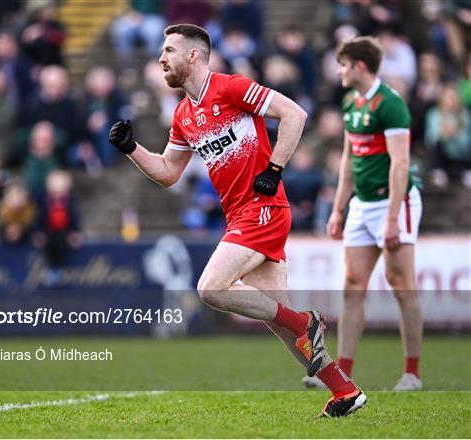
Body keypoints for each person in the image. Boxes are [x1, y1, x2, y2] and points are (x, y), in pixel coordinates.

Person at [108, 23, 366, 417]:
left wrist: (275, 169)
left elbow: (294, 114)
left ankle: (306, 322)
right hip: (240, 216)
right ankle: (344, 391)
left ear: (193, 55)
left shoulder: (230, 88)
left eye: (169, 51)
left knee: (210, 288)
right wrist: (131, 148)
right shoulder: (182, 114)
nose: (161, 58)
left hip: (263, 208)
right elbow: (167, 171)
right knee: (280, 323)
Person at [303, 36, 423, 392]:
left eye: (342, 64)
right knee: (353, 287)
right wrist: (338, 208)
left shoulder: (391, 104)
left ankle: (412, 373)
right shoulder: (350, 101)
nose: (338, 70)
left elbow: (400, 163)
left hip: (394, 202)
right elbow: (348, 160)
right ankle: (341, 374)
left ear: (359, 65)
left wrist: (391, 219)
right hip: (362, 203)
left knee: (402, 285)